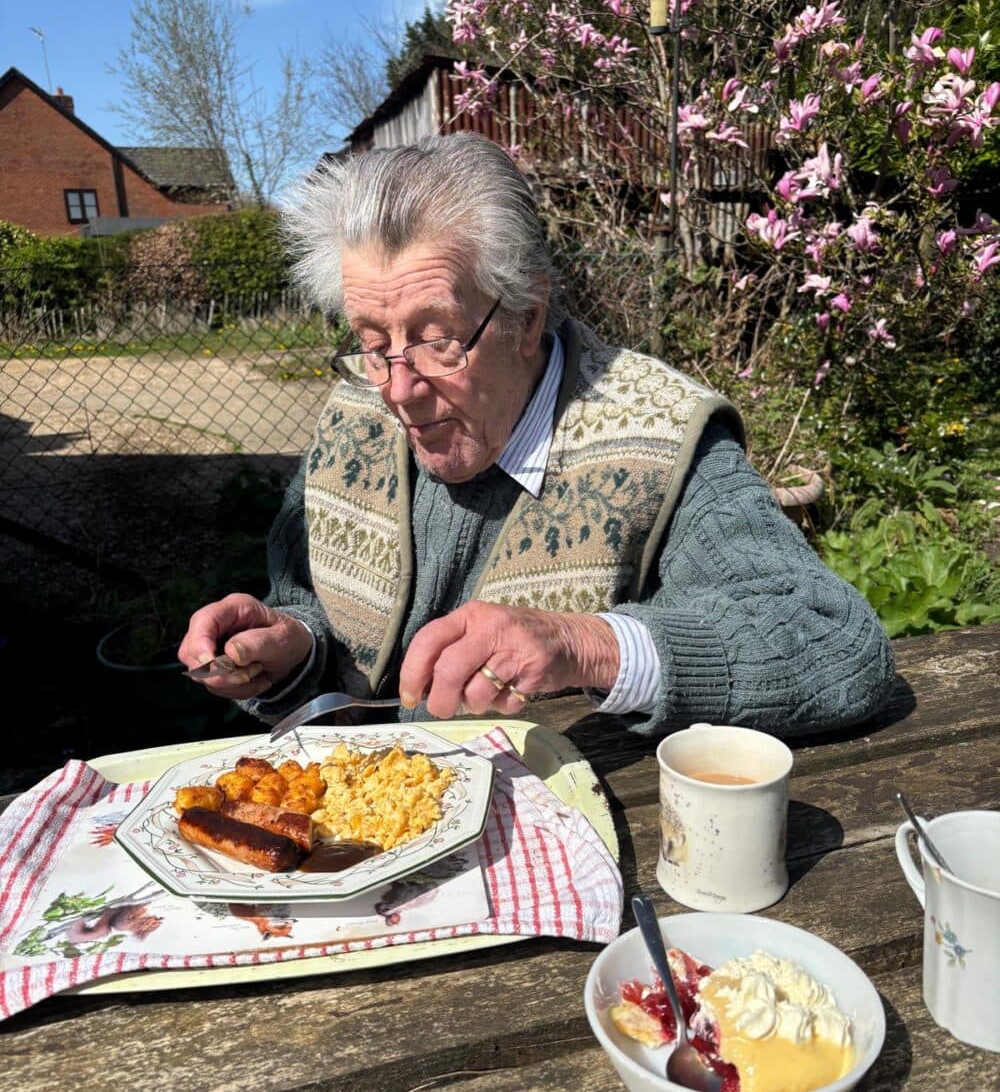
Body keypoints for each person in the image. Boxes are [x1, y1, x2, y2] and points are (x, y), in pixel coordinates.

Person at [179, 132, 894, 737]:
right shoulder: (351, 420)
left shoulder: (661, 434)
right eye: (373, 343)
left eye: (437, 341)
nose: (397, 389)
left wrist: (586, 644)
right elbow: (320, 616)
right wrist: (288, 646)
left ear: (525, 316)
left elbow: (836, 641)